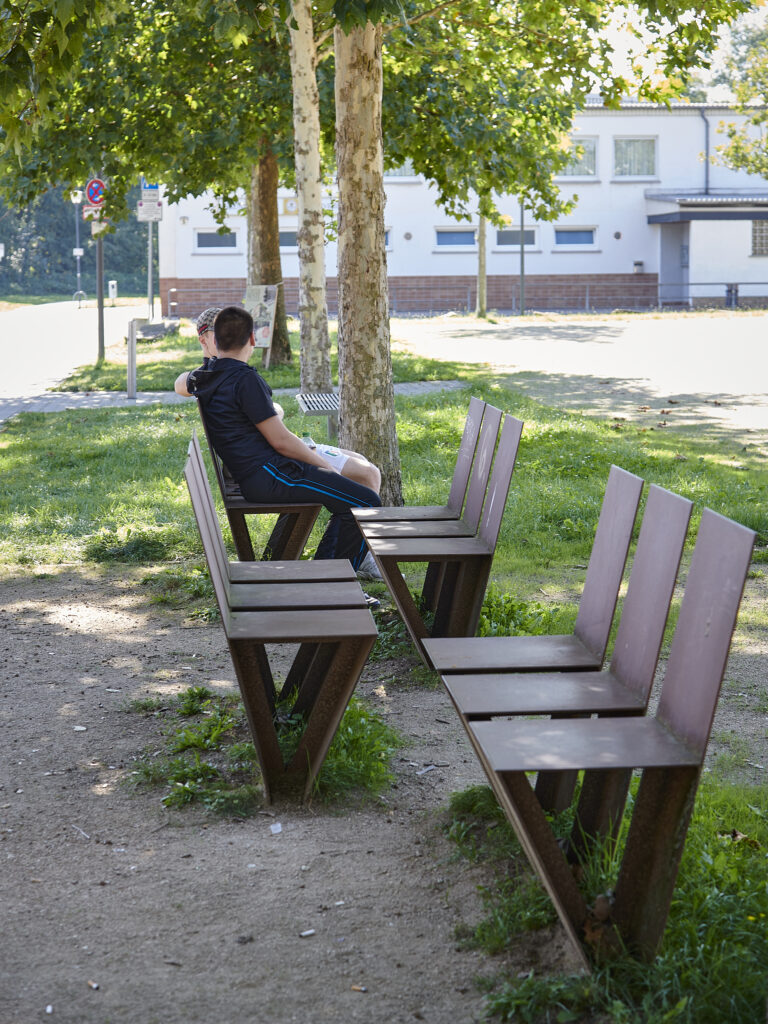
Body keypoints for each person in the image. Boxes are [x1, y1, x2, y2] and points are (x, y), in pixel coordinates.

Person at [176, 305, 382, 572]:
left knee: (358, 496)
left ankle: (330, 577)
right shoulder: (245, 379)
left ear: (214, 341)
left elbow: (184, 381)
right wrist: (328, 469)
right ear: (252, 339)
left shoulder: (205, 377)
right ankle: (330, 582)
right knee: (365, 501)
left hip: (262, 474)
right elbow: (281, 441)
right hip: (270, 475)